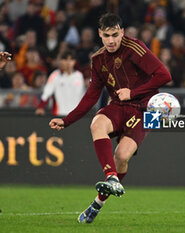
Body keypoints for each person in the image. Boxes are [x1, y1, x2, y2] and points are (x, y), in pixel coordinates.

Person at [48, 13, 171, 223]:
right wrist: (67, 120)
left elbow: (164, 75)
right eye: (107, 35)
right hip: (117, 106)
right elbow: (91, 96)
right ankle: (111, 177)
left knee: (122, 157)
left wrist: (132, 93)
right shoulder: (97, 60)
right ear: (100, 34)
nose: (111, 40)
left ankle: (97, 204)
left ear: (122, 32)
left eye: (115, 34)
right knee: (97, 124)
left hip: (145, 109)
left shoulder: (135, 48)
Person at [35, 51, 85, 116]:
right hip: (59, 115)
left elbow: (83, 95)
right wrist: (41, 107)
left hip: (76, 116)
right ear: (61, 61)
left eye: (71, 60)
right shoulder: (55, 75)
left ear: (74, 62)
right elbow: (46, 94)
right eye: (65, 59)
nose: (68, 62)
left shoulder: (79, 76)